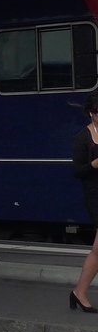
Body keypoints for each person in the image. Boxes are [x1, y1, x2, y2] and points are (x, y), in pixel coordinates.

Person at [70, 91, 98, 313]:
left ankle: (79, 292)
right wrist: (94, 165)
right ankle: (79, 292)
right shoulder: (82, 137)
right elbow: (77, 170)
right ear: (92, 113)